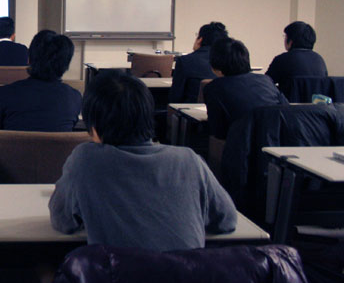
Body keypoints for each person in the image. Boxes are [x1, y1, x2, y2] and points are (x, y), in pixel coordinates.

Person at [49, 71, 236, 252]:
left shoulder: (86, 160)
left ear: (94, 126)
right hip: (188, 271)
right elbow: (226, 220)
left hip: (118, 273)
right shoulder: (189, 160)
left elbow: (63, 221)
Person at [0, 29, 82, 131]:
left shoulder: (4, 94)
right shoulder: (74, 98)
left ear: (29, 59)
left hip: (13, 142)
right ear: (66, 64)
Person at [203, 37, 287, 140]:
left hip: (242, 143)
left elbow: (218, 130)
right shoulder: (266, 80)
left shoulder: (214, 88)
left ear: (214, 64)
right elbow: (286, 109)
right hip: (278, 139)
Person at [168, 21, 228, 103]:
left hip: (190, 108)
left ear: (200, 40)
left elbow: (175, 96)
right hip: (220, 109)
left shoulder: (185, 61)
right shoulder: (228, 61)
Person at [266, 21, 328, 96]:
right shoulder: (319, 60)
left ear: (291, 41)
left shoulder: (282, 59)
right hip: (315, 103)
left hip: (288, 103)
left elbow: (266, 84)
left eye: (285, 37)